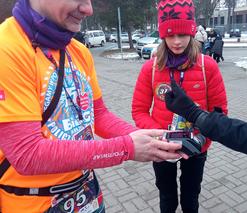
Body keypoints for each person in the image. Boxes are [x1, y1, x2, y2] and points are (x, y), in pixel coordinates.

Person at [0, 0, 185, 212]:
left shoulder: (78, 50)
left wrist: (150, 139)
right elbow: (27, 154)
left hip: (87, 192)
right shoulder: (6, 48)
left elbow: (98, 115)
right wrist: (126, 147)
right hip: (33, 202)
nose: (88, 9)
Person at [131, 0, 228, 212]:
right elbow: (138, 110)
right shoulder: (152, 69)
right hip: (162, 147)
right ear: (162, 35)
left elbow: (219, 112)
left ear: (192, 33)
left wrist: (202, 138)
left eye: (182, 35)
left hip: (196, 146)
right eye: (170, 35)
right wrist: (159, 135)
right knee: (167, 198)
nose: (176, 42)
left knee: (190, 197)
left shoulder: (207, 66)